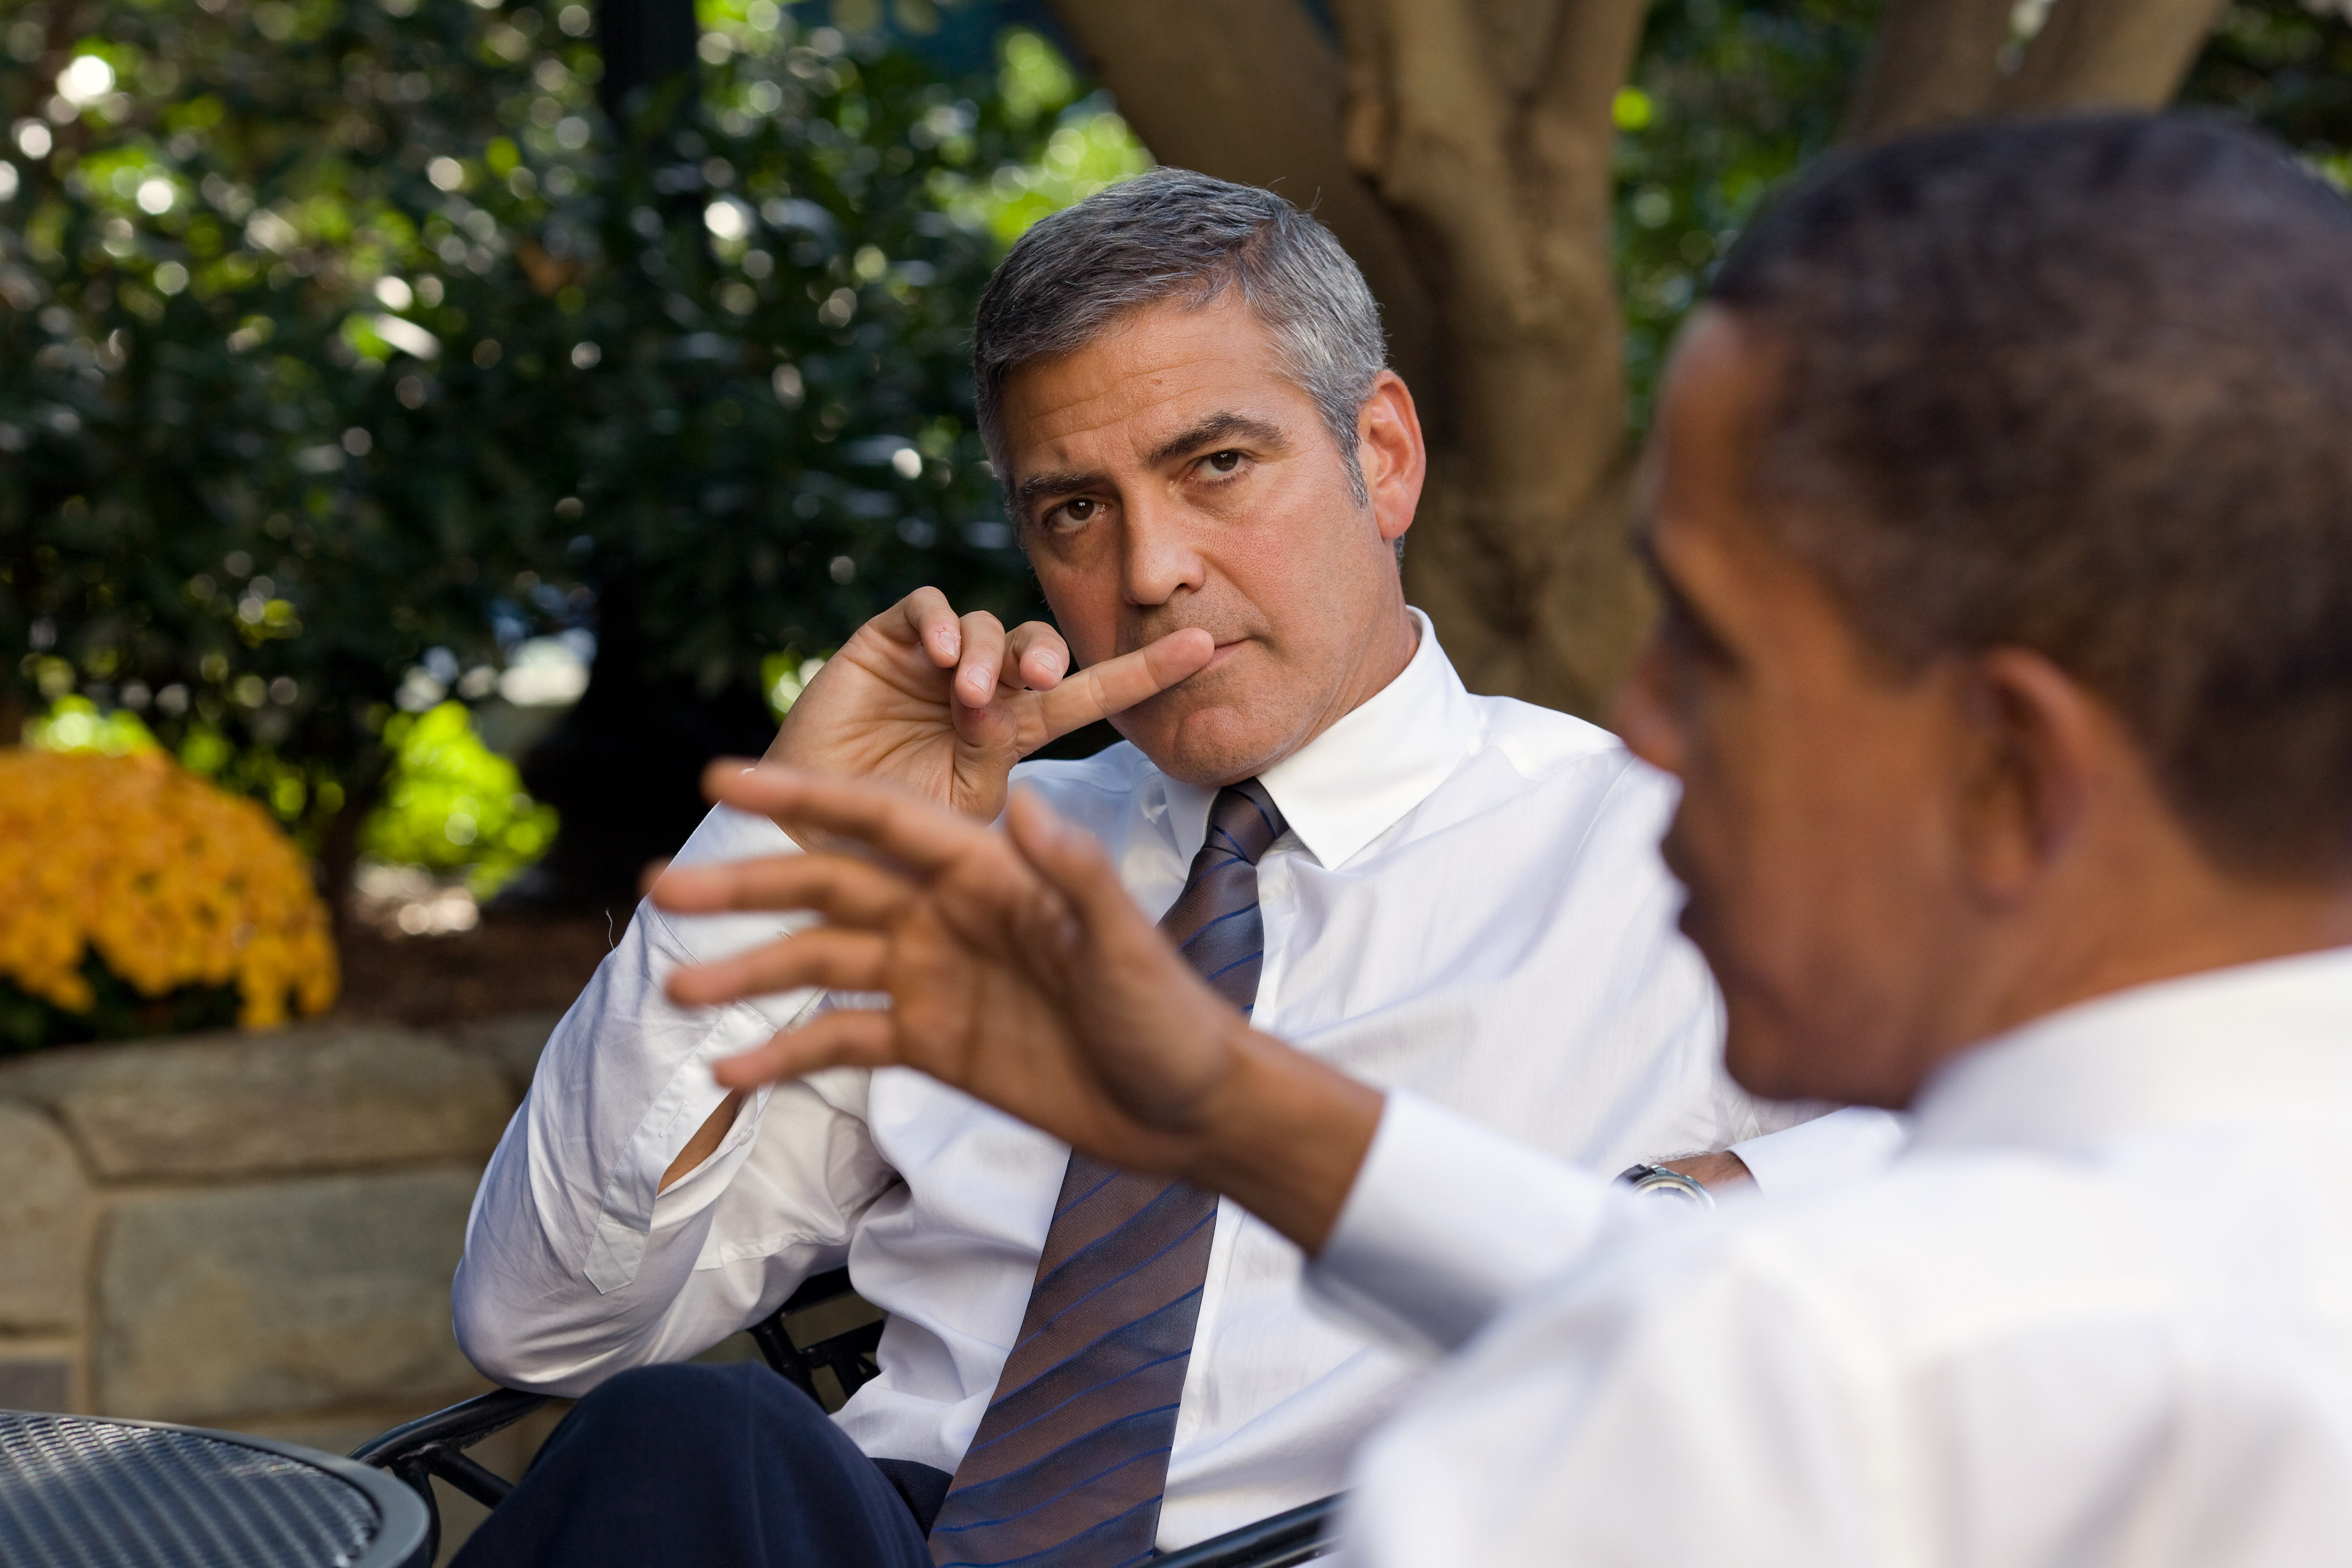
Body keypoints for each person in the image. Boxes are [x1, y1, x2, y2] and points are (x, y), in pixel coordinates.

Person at [652, 113, 2352, 1564]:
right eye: (1077, 508)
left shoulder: (1743, 1405)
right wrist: (1241, 1112)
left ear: (2011, 764)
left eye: (1715, 646)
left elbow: (1759, 1346)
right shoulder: (2174, 1255)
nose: (1648, 724)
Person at [450, 170, 1895, 1566]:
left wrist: (1688, 1214)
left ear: (1378, 456)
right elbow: (544, 1323)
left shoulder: (1665, 851)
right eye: (1073, 509)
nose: (1149, 571)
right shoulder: (972, 856)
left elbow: (2064, 1181)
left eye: (1215, 466)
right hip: (914, 1527)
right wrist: (782, 831)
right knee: (686, 1436)